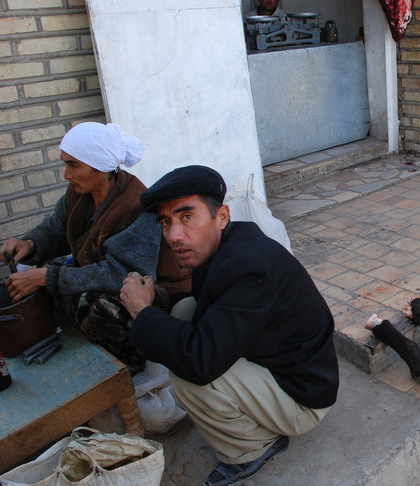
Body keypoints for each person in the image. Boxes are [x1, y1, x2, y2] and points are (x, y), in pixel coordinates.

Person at [120, 165, 338, 486]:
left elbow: (199, 362)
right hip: (281, 360)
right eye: (166, 222)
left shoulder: (245, 267)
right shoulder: (227, 244)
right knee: (184, 310)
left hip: (302, 397)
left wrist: (141, 309)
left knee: (189, 378)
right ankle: (249, 416)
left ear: (221, 216)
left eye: (187, 217)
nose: (174, 235)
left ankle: (252, 448)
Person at [0, 122, 187, 373]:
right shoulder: (79, 195)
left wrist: (48, 278)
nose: (66, 174)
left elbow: (121, 274)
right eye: (65, 163)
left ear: (101, 166)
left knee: (91, 305)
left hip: (151, 294)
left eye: (74, 165)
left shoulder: (139, 207)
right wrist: (29, 244)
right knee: (48, 282)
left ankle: (134, 357)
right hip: (113, 282)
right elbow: (55, 229)